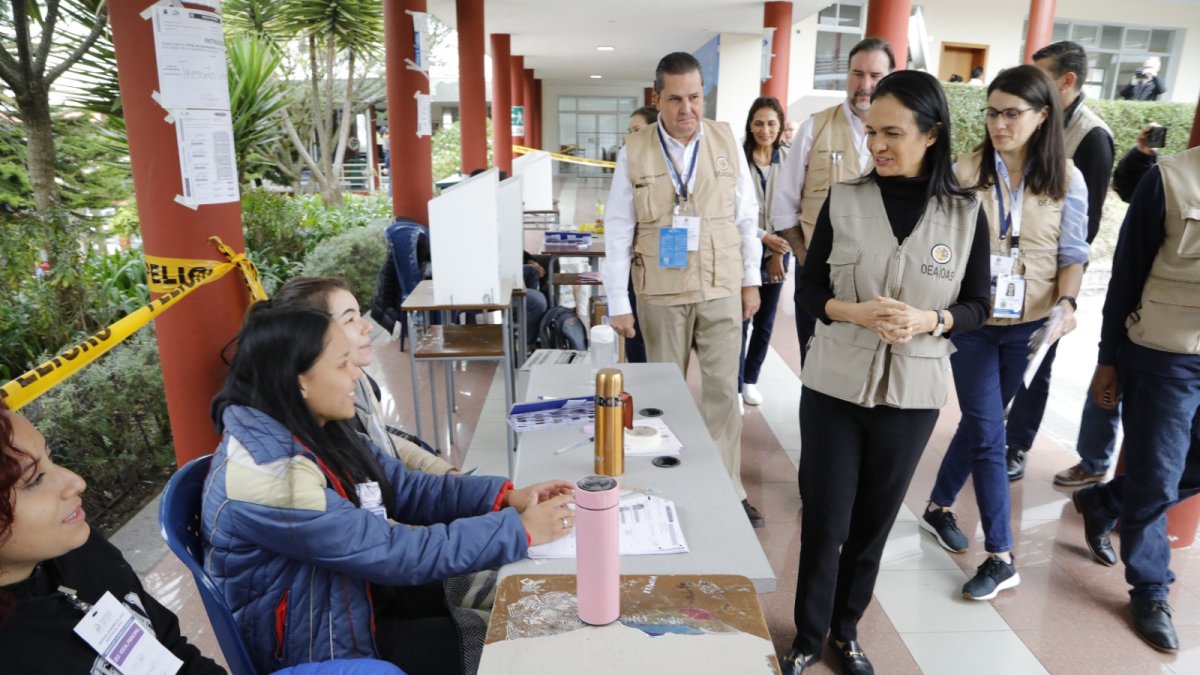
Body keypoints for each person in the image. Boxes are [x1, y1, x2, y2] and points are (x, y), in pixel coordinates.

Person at [202, 302, 575, 674]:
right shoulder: (269, 475)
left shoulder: (312, 424)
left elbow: (406, 488)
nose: (357, 372)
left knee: (537, 606)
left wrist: (506, 498)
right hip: (331, 648)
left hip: (363, 600)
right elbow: (393, 553)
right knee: (524, 645)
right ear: (299, 378)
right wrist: (521, 529)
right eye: (342, 363)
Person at [784, 70, 990, 675]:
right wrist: (852, 311)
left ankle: (845, 633)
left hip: (914, 392)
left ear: (931, 134)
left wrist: (931, 318)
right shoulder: (844, 199)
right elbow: (809, 287)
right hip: (834, 387)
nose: (877, 144)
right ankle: (806, 635)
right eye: (872, 131)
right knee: (825, 518)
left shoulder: (965, 212)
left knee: (873, 524)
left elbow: (978, 305)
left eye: (892, 132)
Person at [921, 65, 1089, 601]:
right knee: (991, 431)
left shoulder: (1067, 178)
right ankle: (1001, 555)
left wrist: (1067, 302)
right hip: (971, 323)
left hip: (1030, 327)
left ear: (1043, 116)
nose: (999, 123)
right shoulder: (963, 171)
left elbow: (1072, 254)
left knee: (980, 424)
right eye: (992, 112)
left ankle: (937, 507)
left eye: (1012, 113)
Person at [602, 51, 765, 526]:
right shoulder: (633, 150)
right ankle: (664, 487)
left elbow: (746, 216)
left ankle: (727, 490)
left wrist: (750, 282)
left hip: (720, 286)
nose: (687, 109)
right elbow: (616, 229)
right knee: (664, 396)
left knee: (722, 394)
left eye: (695, 97)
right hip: (660, 292)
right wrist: (618, 302)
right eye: (675, 99)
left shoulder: (725, 140)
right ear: (658, 99)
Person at [1071, 144, 1200, 654]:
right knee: (1158, 472)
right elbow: (1125, 277)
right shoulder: (1169, 180)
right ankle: (1150, 590)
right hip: (1164, 354)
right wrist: (1108, 360)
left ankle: (1103, 500)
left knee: (1168, 474)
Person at [0, 401, 225, 674]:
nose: (76, 481)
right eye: (34, 479)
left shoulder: (80, 551)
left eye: (52, 457)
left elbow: (172, 653)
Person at [1006, 40, 1116, 483]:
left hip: (1052, 278)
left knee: (1038, 363)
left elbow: (1082, 229)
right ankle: (995, 435)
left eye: (1043, 77)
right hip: (1010, 269)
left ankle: (1017, 445)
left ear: (1067, 82)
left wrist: (1064, 293)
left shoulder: (1092, 136)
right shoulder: (1037, 120)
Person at [773, 37, 895, 367]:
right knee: (814, 362)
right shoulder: (816, 126)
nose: (865, 85)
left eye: (875, 76)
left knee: (866, 366)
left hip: (877, 280)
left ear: (890, 77)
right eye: (858, 74)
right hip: (819, 273)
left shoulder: (902, 133)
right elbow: (783, 203)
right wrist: (803, 256)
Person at [272, 276, 459, 476]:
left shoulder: (360, 381)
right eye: (350, 319)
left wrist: (442, 471)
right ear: (311, 336)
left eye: (360, 315)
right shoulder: (318, 414)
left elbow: (380, 440)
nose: (367, 326)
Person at [738, 96, 791, 408]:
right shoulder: (738, 160)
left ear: (780, 125)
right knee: (741, 320)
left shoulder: (788, 160)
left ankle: (750, 380)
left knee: (765, 322)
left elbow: (792, 208)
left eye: (771, 122)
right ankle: (733, 383)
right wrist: (763, 237)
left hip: (778, 255)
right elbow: (733, 211)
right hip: (744, 250)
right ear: (750, 125)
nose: (765, 129)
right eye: (758, 122)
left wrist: (778, 252)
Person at [620, 106, 661, 364]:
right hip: (637, 262)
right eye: (629, 131)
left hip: (668, 265)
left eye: (637, 130)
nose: (630, 137)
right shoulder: (628, 163)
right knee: (635, 333)